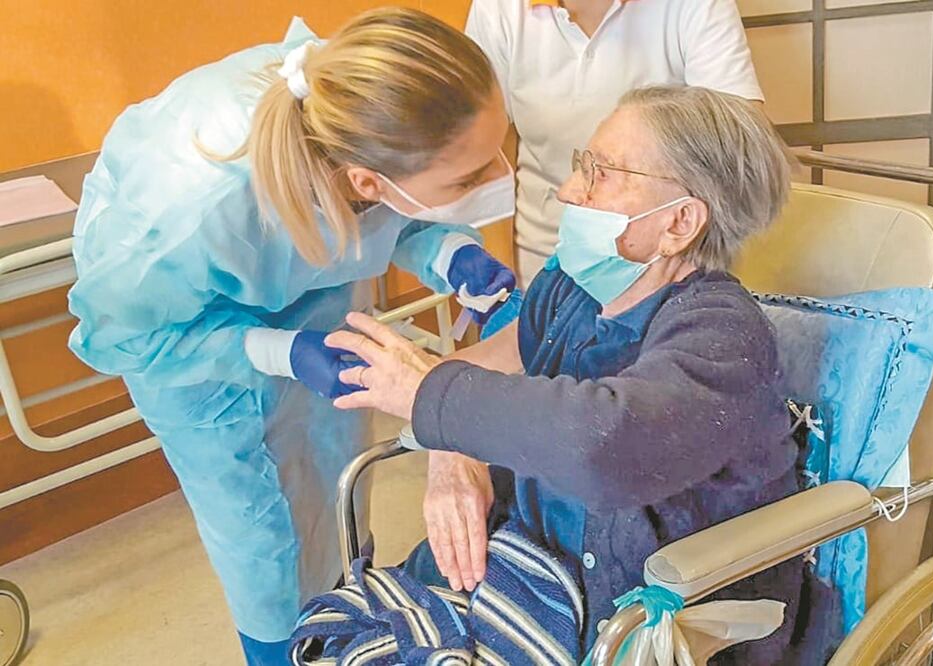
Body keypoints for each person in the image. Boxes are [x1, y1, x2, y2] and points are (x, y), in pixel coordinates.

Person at [66, 9, 518, 665]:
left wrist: (452, 253)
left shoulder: (371, 119)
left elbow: (399, 207)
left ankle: (350, 620)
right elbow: (131, 336)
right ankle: (281, 651)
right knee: (259, 536)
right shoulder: (192, 209)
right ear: (364, 181)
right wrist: (278, 350)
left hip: (316, 290)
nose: (495, 179)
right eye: (469, 179)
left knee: (337, 479)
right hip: (189, 344)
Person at [326, 87, 834, 662]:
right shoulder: (572, 288)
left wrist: (427, 395)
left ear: (679, 223)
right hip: (530, 566)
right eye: (581, 165)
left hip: (645, 620)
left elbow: (605, 445)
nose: (569, 191)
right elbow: (479, 366)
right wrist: (450, 455)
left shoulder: (723, 334)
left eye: (601, 173)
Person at [465, 0, 764, 284]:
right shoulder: (500, 9)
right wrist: (497, 278)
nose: (571, 191)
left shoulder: (694, 7)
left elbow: (737, 149)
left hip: (665, 264)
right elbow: (479, 151)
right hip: (541, 256)